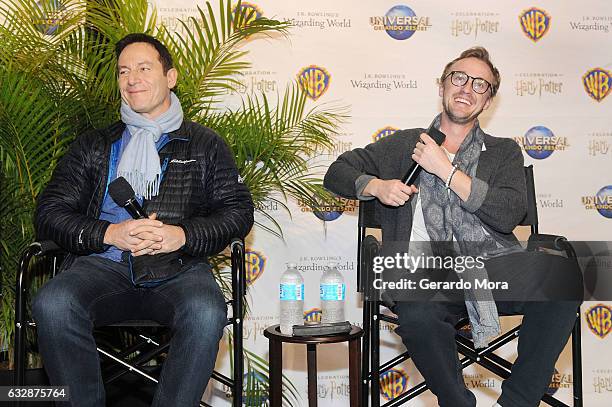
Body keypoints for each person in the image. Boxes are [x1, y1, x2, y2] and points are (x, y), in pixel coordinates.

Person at [324, 47, 581, 407]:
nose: (466, 88)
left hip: (493, 267)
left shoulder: (504, 151)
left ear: (488, 100)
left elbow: (508, 214)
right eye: (458, 78)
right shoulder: (406, 144)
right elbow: (337, 172)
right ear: (442, 85)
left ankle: (518, 402)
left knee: (564, 279)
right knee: (416, 315)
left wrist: (445, 169)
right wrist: (377, 187)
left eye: (480, 84)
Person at [32, 33, 254, 406]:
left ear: (171, 77)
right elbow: (50, 213)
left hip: (179, 269)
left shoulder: (205, 144)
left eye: (143, 68)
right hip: (102, 266)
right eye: (123, 71)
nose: (132, 78)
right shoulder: (94, 144)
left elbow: (237, 212)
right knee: (53, 303)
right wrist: (109, 233)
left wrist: (181, 235)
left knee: (205, 311)